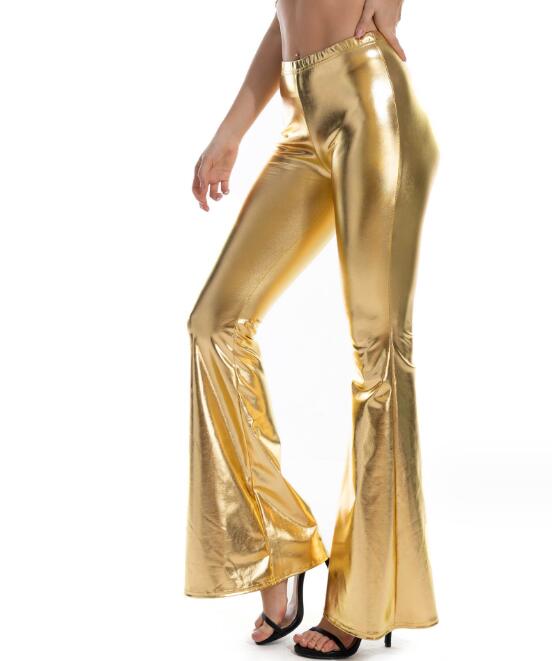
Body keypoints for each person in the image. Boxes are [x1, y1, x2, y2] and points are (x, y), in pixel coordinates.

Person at [187, 0, 439, 657]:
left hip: (370, 100)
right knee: (215, 323)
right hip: (302, 116)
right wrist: (232, 129)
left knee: (378, 350)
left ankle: (363, 600)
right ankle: (277, 545)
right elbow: (285, 16)